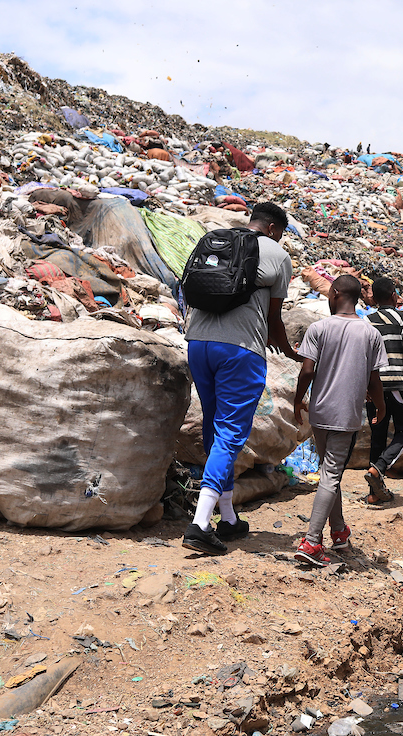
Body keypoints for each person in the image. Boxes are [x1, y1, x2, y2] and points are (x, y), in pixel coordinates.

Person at [181, 202, 299, 556]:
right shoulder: (278, 254)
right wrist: (290, 352)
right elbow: (274, 320)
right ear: (274, 229)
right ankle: (201, 523)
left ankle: (228, 517)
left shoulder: (218, 241)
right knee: (231, 432)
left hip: (198, 344)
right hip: (240, 350)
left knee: (215, 428)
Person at [292, 275, 388, 567]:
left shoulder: (318, 328)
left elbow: (307, 370)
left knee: (328, 473)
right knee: (331, 475)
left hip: (320, 412)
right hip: (346, 414)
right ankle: (311, 542)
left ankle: (339, 531)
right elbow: (374, 378)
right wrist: (381, 405)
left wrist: (298, 399)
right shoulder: (370, 333)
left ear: (333, 293)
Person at [364, 277, 403, 505]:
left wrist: (364, 385)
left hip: (374, 386)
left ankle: (373, 493)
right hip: (396, 384)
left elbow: (363, 355)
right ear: (393, 295)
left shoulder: (367, 321)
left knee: (377, 434)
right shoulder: (402, 317)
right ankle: (379, 468)